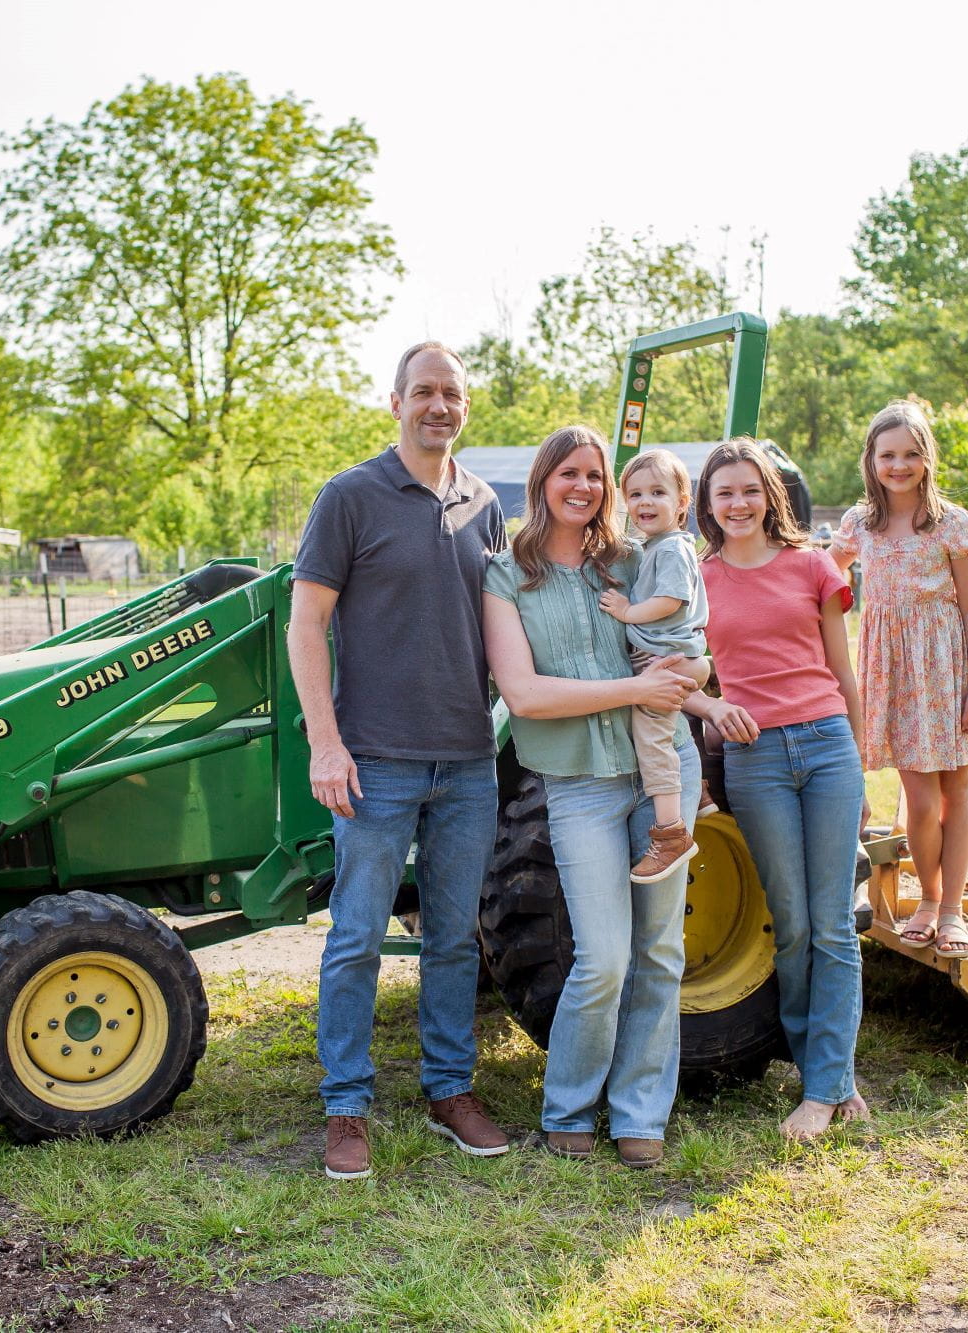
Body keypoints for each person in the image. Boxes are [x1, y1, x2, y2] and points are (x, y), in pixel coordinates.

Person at [289, 341, 512, 1181]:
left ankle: (451, 1089)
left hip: (466, 760)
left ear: (465, 406)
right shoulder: (349, 497)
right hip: (374, 760)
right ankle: (346, 1104)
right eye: (424, 391)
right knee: (354, 937)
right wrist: (326, 740)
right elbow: (305, 624)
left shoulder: (484, 503)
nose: (438, 407)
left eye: (451, 393)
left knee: (453, 937)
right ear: (395, 402)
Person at [482, 425, 705, 1169]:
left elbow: (685, 635)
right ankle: (570, 1105)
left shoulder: (633, 557)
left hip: (661, 771)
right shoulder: (505, 574)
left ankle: (642, 1108)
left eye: (594, 476)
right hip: (578, 786)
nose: (583, 487)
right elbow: (524, 693)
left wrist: (694, 677)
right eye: (568, 473)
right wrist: (638, 685)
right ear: (543, 479)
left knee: (658, 949)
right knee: (604, 957)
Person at [683, 437, 868, 1142]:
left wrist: (859, 762)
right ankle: (813, 1057)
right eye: (724, 492)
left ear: (772, 496)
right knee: (789, 926)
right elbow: (686, 672)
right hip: (754, 756)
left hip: (825, 746)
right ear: (708, 503)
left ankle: (826, 1086)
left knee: (833, 924)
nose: (738, 503)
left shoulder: (813, 566)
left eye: (750, 490)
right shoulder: (699, 579)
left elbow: (842, 671)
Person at [829, 399, 968, 959]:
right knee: (919, 798)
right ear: (871, 460)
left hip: (945, 669)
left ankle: (951, 911)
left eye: (911, 454)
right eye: (888, 454)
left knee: (955, 793)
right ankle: (928, 897)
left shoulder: (951, 524)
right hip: (893, 672)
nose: (899, 465)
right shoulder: (860, 523)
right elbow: (824, 572)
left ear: (927, 459)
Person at [598, 449, 708, 883]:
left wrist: (626, 612)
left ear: (682, 501)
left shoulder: (672, 551)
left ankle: (670, 833)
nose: (645, 502)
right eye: (636, 493)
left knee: (651, 738)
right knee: (660, 732)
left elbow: (671, 601)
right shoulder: (657, 546)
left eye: (658, 492)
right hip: (669, 658)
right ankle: (697, 796)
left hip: (667, 661)